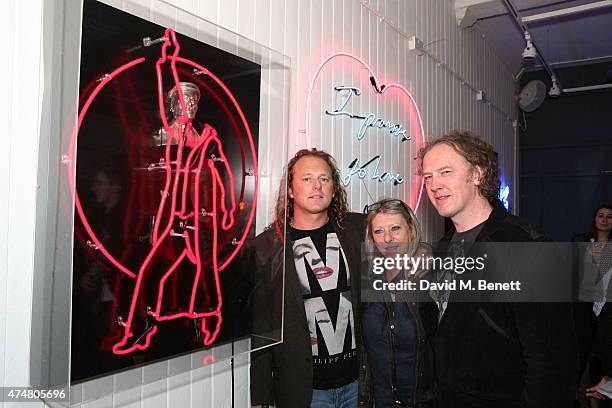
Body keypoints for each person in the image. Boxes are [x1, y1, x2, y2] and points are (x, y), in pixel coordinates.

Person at [418, 130, 578, 408]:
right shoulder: (442, 249)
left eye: (445, 172)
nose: (434, 185)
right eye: (428, 177)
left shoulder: (525, 243)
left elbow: (552, 362)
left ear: (477, 175)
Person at [250, 148, 366, 408]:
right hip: (303, 392)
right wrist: (260, 397)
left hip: (358, 385)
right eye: (307, 179)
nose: (317, 186)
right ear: (290, 190)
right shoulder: (267, 248)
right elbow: (260, 327)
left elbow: (402, 234)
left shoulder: (358, 230)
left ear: (334, 188)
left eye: (324, 179)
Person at [361, 198, 433, 407]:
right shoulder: (368, 278)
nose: (388, 239)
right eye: (379, 232)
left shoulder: (429, 277)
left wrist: (429, 249)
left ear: (410, 229)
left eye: (395, 228)